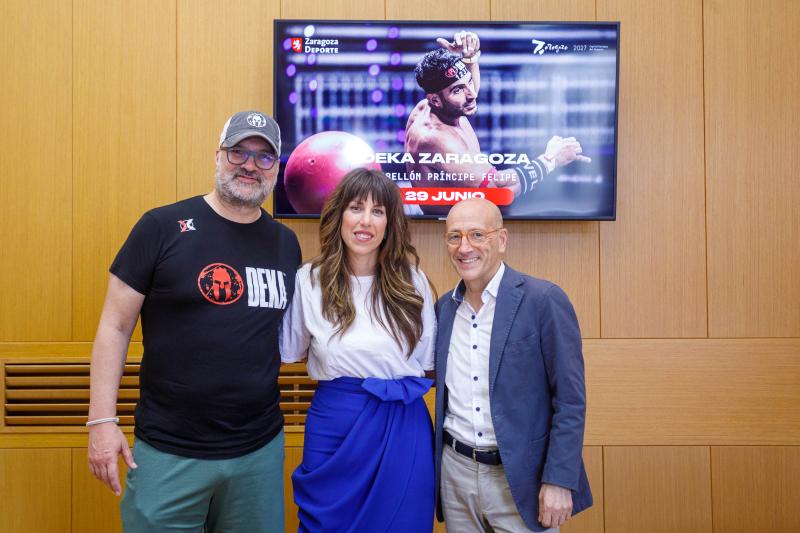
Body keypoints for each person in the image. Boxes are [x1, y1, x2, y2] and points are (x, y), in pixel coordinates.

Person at [87, 110, 302, 532]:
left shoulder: (285, 243)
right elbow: (114, 327)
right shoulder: (160, 227)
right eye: (238, 152)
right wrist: (101, 421)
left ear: (276, 169)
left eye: (264, 157)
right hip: (169, 451)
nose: (249, 165)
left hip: (257, 451)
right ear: (217, 155)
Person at [280, 168, 436, 532]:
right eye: (356, 208)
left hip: (401, 425)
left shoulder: (412, 281)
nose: (366, 221)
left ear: (390, 223)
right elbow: (290, 350)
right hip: (334, 424)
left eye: (378, 211)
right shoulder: (309, 280)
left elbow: (426, 361)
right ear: (339, 216)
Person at [433, 198, 592, 532]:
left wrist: (559, 479)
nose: (464, 247)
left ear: (502, 240)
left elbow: (570, 399)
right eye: (454, 236)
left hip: (522, 478)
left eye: (477, 234)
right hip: (455, 475)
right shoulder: (444, 309)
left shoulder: (543, 300)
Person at [404, 32, 591, 215]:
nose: (472, 94)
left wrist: (470, 57)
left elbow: (464, 89)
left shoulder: (443, 105)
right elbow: (498, 193)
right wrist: (551, 160)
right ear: (435, 100)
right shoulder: (434, 137)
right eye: (458, 90)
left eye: (469, 82)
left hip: (470, 217)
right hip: (455, 224)